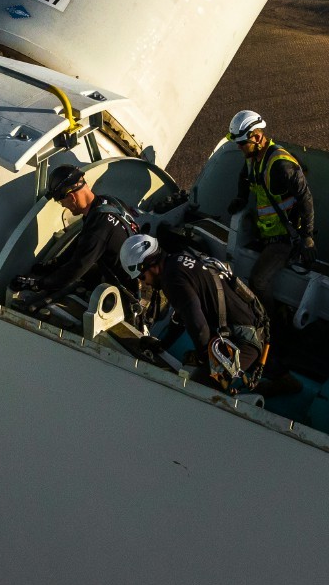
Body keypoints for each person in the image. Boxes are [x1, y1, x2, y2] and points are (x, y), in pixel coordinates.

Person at [120, 234, 269, 394]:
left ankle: (263, 390)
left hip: (243, 342)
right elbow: (183, 317)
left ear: (151, 265)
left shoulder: (172, 279)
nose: (144, 283)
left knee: (198, 392)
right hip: (248, 327)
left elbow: (198, 326)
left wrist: (202, 358)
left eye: (142, 276)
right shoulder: (178, 260)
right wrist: (162, 344)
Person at [11, 164, 139, 312]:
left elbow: (77, 268)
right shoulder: (108, 202)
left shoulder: (99, 227)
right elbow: (82, 241)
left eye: (61, 202)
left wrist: (36, 284)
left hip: (124, 296)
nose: (64, 206)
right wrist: (54, 265)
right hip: (130, 273)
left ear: (71, 197)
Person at [225, 110, 315, 318]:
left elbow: (305, 198)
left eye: (241, 143)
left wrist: (307, 237)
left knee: (258, 280)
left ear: (257, 137)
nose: (238, 147)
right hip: (266, 235)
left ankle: (269, 325)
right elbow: (244, 177)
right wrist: (241, 198)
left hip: (284, 239)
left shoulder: (281, 165)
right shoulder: (253, 158)